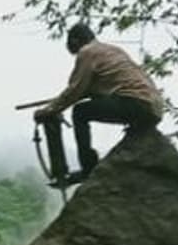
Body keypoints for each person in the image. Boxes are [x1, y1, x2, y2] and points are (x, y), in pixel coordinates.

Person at [33, 22, 165, 186]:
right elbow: (94, 89)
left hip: (135, 101)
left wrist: (48, 110)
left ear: (74, 41)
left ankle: (88, 168)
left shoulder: (87, 52)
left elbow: (74, 91)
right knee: (90, 106)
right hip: (153, 108)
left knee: (80, 112)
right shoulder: (112, 50)